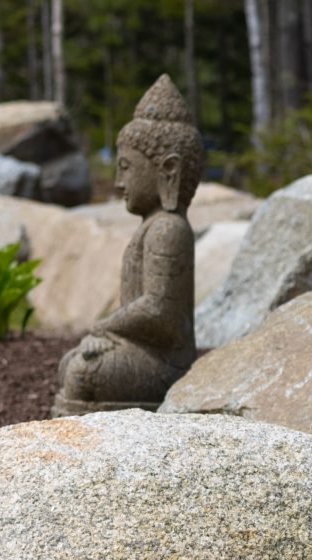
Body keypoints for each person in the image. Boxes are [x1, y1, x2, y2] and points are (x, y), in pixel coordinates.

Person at [53, 76, 202, 414]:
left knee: (83, 371)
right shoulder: (153, 227)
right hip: (138, 349)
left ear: (168, 170)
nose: (119, 183)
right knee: (70, 363)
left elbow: (159, 312)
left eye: (125, 168)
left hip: (166, 363)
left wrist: (103, 327)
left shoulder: (170, 229)